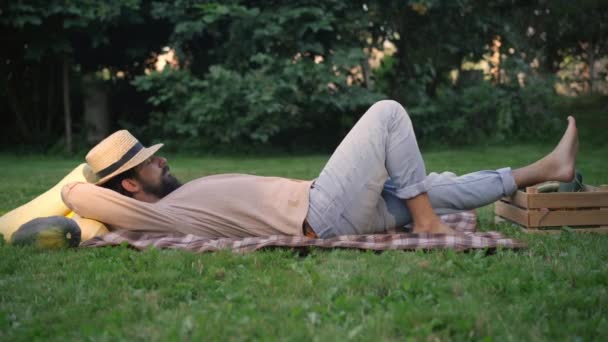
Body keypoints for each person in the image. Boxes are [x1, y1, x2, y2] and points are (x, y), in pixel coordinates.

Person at [61, 100, 578, 238]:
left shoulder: (179, 199)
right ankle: (424, 222)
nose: (163, 159)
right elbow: (80, 197)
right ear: (130, 184)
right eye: (152, 163)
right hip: (323, 215)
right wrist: (71, 190)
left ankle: (543, 168)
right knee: (387, 115)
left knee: (430, 184)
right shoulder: (166, 217)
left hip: (334, 207)